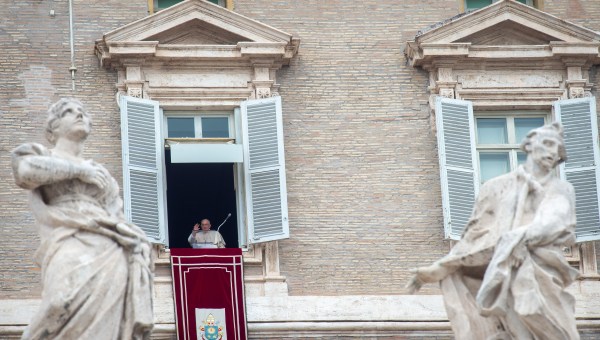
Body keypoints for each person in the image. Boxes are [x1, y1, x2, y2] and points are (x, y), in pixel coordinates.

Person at [406, 122, 580, 340]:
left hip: (542, 269)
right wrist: (442, 265)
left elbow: (554, 221)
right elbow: (475, 234)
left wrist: (516, 239)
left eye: (558, 148)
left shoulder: (560, 188)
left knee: (548, 323)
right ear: (528, 145)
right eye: (547, 143)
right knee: (515, 323)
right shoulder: (497, 187)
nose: (553, 151)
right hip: (503, 270)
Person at [11, 98, 153, 340]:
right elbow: (25, 172)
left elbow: (115, 214)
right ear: (52, 129)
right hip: (66, 238)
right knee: (59, 301)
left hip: (110, 248)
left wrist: (136, 239)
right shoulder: (41, 154)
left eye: (83, 112)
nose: (79, 115)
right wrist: (79, 171)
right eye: (68, 112)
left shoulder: (103, 174)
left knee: (111, 321)